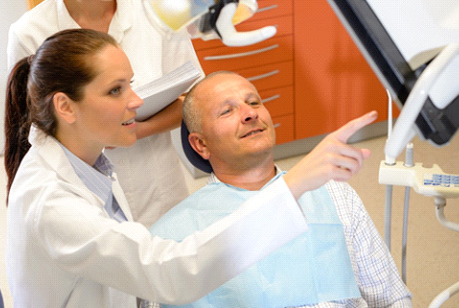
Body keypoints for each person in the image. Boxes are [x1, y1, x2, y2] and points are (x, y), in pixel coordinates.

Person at [4, 29, 379, 307]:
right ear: (65, 107)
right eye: (115, 90)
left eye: (130, 84)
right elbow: (171, 273)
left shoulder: (90, 164)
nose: (136, 101)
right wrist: (294, 183)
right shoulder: (53, 203)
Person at [143, 71, 412, 308]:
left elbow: (391, 298)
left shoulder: (334, 194)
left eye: (254, 102)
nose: (250, 114)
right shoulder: (169, 238)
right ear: (200, 144)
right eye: (227, 111)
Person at [6, 0, 202, 227]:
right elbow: (30, 138)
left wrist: (137, 130)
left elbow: (193, 100)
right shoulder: (30, 34)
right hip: (78, 204)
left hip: (159, 189)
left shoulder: (156, 11)